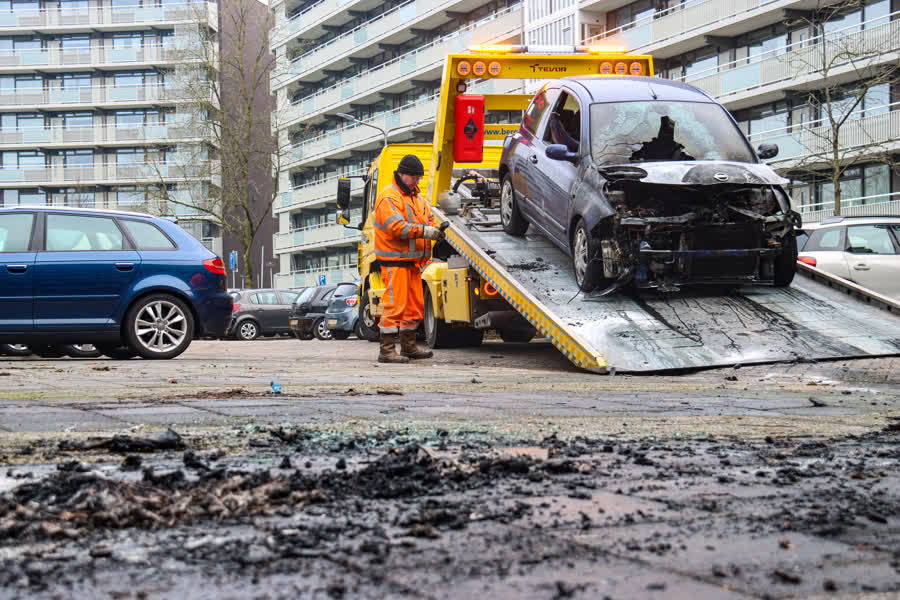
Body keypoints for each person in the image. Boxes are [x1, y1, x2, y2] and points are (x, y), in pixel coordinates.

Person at [372, 154, 445, 363]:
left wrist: (435, 230)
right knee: (394, 307)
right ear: (402, 174)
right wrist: (426, 232)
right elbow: (396, 228)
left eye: (419, 178)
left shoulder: (416, 198)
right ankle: (386, 351)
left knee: (412, 308)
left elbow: (428, 220)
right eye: (414, 177)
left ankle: (408, 347)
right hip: (395, 263)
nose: (417, 181)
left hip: (413, 263)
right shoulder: (389, 197)